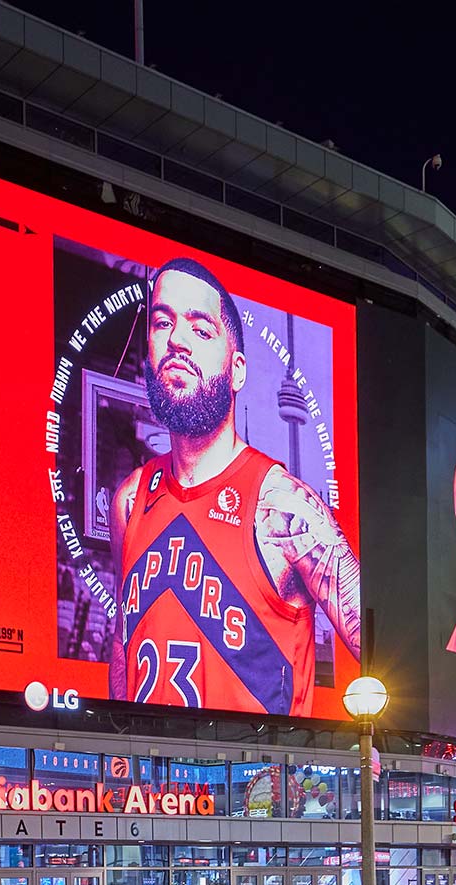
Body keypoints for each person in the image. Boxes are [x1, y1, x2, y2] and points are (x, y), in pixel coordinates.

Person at [108, 256, 361, 716]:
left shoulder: (283, 505)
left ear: (238, 370)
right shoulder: (130, 500)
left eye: (201, 330)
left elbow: (381, 643)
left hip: (256, 783)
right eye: (162, 323)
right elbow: (125, 638)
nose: (177, 340)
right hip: (156, 786)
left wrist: (371, 740)